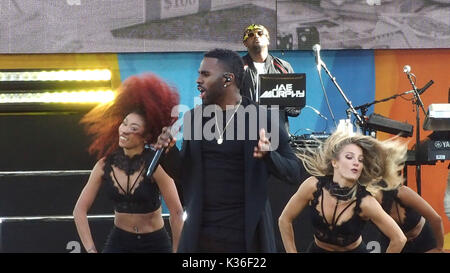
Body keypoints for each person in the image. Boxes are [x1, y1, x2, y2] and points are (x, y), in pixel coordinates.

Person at [155, 48, 303, 253]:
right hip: (201, 235)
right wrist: (168, 152)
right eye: (199, 73)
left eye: (205, 74)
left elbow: (294, 172)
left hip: (246, 236)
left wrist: (269, 156)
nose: (198, 80)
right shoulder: (194, 119)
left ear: (227, 79)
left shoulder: (261, 118)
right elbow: (185, 174)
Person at [73, 74, 184, 253]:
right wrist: (91, 250)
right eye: (124, 124)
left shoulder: (156, 163)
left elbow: (177, 212)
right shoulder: (103, 165)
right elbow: (79, 210)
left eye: (133, 128)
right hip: (119, 241)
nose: (124, 130)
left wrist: (177, 251)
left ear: (146, 136)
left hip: (155, 243)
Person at [278, 131, 408, 253]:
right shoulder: (313, 186)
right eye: (349, 157)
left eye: (360, 160)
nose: (356, 163)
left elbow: (399, 239)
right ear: (335, 162)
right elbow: (284, 219)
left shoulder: (366, 203)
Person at [241, 24, 301, 134]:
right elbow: (227, 102)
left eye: (260, 33)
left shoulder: (283, 67)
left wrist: (277, 103)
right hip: (245, 132)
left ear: (268, 39)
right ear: (245, 43)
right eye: (250, 34)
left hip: (277, 132)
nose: (256, 36)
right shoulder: (236, 68)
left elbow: (295, 109)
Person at [375, 183, 444, 253]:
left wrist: (439, 248)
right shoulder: (369, 206)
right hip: (400, 245)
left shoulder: (402, 192)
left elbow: (436, 219)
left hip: (424, 239)